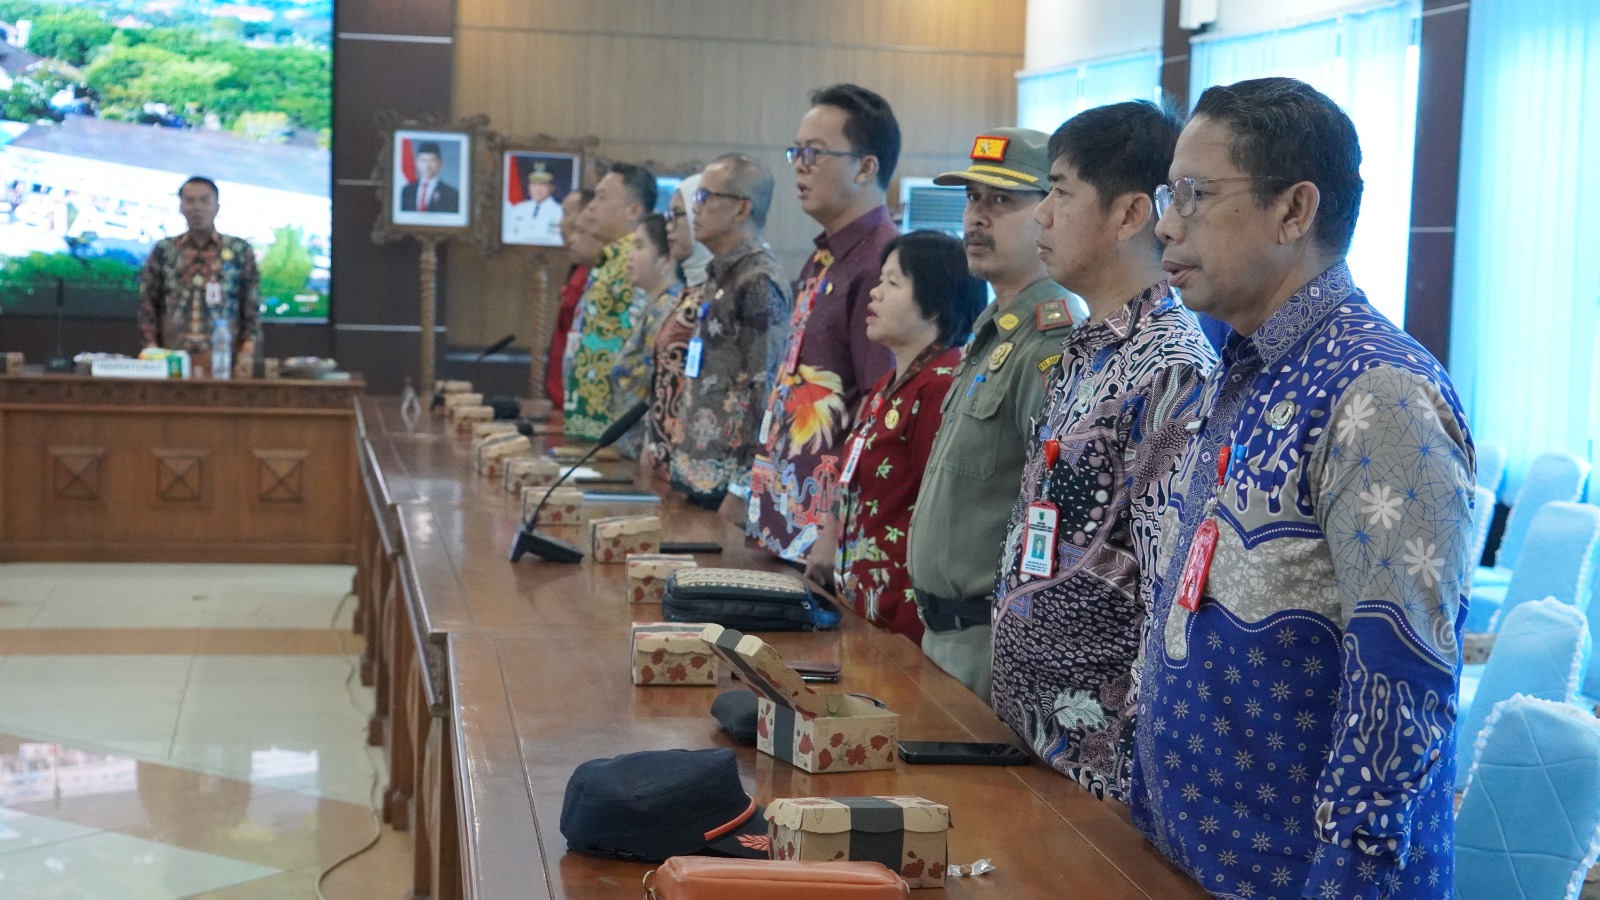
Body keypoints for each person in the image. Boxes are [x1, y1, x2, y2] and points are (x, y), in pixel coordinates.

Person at [1131, 77, 1473, 900]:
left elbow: (1400, 690)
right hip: (1185, 857)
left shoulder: (1379, 394)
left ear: (1293, 211)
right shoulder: (1244, 367)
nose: (1167, 223)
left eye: (1195, 194)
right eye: (1168, 195)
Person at [989, 102, 1216, 801]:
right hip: (1030, 728)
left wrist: (1134, 777)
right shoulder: (1086, 348)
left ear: (1130, 215)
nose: (1041, 215)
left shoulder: (1170, 368)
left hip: (1098, 764)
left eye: (1060, 193)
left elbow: (1163, 587)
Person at [902, 128, 1075, 702]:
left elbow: (1053, 510)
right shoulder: (994, 330)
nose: (977, 217)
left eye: (1002, 200)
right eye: (972, 198)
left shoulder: (1053, 339)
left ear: (1050, 212)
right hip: (944, 634)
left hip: (989, 640)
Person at [747, 83, 899, 561]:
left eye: (815, 152)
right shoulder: (823, 257)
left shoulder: (881, 264)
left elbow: (878, 408)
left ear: (866, 167)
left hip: (825, 532)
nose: (800, 164)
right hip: (784, 514)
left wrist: (834, 525)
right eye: (796, 151)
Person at [832, 231, 982, 644]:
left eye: (893, 283)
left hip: (906, 617)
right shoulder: (891, 381)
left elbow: (942, 512)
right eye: (880, 280)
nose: (875, 293)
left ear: (935, 300)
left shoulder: (940, 386)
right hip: (866, 599)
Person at [670, 154, 791, 509]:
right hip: (698, 469)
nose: (696, 207)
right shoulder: (722, 271)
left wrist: (744, 488)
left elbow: (766, 387)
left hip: (728, 484)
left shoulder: (758, 280)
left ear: (741, 208)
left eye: (706, 197)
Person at [565, 162, 655, 440]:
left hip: (614, 424)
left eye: (602, 198)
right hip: (590, 417)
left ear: (633, 210)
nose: (591, 207)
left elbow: (637, 349)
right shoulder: (610, 258)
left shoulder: (635, 264)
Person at [137, 176, 260, 373]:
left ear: (217, 207)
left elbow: (251, 304)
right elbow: (148, 303)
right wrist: (151, 348)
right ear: (181, 207)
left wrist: (248, 349)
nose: (197, 207)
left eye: (204, 200)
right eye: (190, 201)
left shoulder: (238, 250)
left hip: (225, 358)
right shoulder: (165, 250)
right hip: (172, 357)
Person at [642, 175, 714, 476]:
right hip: (662, 456)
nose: (668, 227)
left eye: (677, 216)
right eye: (667, 217)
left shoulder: (718, 292)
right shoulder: (689, 291)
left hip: (696, 467)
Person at [606, 214, 682, 458]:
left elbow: (658, 385)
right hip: (633, 447)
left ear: (666, 259)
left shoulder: (667, 310)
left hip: (650, 448)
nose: (630, 256)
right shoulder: (653, 305)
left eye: (639, 246)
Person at [545, 188, 595, 407]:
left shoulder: (596, 276)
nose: (560, 223)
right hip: (562, 398)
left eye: (566, 214)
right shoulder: (579, 270)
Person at [504, 163, 563, 245]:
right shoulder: (519, 209)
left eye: (543, 184)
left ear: (552, 187)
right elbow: (508, 237)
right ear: (529, 187)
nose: (538, 189)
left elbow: (559, 241)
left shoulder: (559, 212)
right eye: (534, 184)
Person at [400, 142, 459, 213]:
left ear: (440, 164)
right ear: (416, 163)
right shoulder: (406, 191)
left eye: (432, 160)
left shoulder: (451, 194)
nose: (427, 165)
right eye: (423, 160)